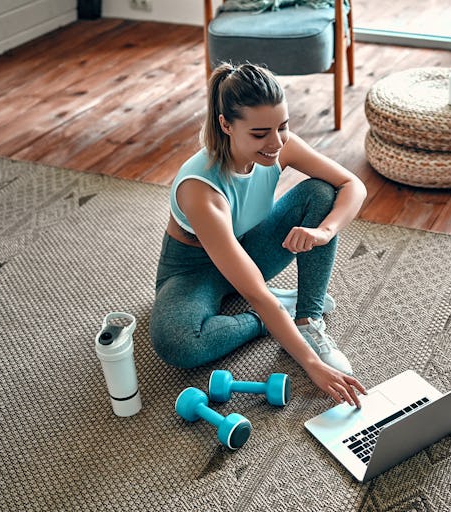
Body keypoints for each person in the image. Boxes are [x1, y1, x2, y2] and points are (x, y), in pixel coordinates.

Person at [150, 63, 367, 406]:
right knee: (178, 343)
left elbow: (351, 185)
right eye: (260, 133)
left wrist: (325, 232)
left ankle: (307, 316)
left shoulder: (280, 146)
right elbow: (255, 291)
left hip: (248, 246)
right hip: (193, 269)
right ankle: (273, 316)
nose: (276, 142)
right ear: (226, 124)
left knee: (321, 194)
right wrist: (311, 366)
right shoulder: (200, 190)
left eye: (283, 127)